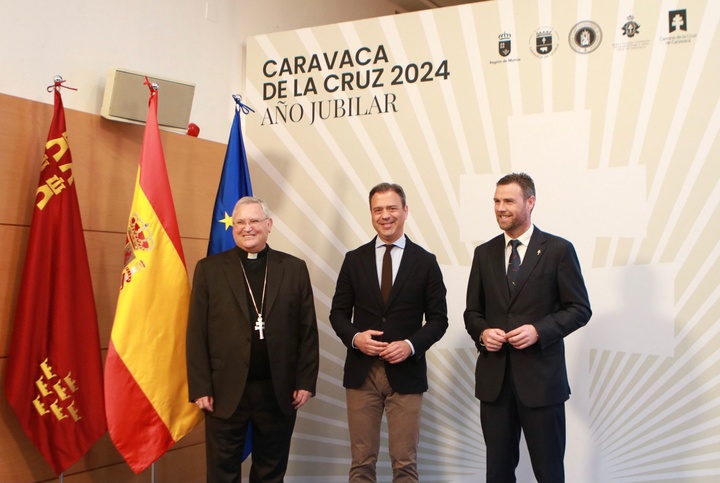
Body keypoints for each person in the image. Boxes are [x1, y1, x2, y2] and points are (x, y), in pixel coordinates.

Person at [464, 172, 591, 483]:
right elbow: (472, 312)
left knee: (548, 472)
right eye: (496, 201)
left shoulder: (559, 250)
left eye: (509, 200)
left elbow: (579, 309)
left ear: (530, 202)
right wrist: (482, 333)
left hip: (541, 383)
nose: (500, 208)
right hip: (495, 385)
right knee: (498, 472)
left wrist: (539, 330)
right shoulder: (484, 253)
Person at [186, 196, 319, 483]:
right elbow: (196, 332)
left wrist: (305, 381)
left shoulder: (293, 269)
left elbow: (307, 331)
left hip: (277, 389)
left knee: (270, 472)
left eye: (254, 221)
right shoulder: (209, 269)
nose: (247, 228)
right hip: (224, 389)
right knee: (222, 472)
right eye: (240, 223)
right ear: (232, 227)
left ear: (268, 225)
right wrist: (200, 386)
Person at [330, 182, 448, 482]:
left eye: (392, 208)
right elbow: (338, 314)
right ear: (371, 214)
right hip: (362, 373)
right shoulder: (354, 260)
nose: (385, 215)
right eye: (378, 209)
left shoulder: (425, 262)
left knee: (405, 463)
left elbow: (438, 320)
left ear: (405, 211)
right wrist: (356, 339)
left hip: (406, 374)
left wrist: (410, 345)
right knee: (361, 462)